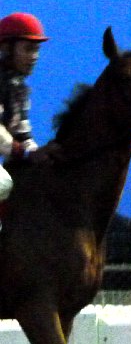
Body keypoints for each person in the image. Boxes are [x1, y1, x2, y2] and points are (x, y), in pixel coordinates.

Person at [0, 12, 55, 203]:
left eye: (37, 50)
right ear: (6, 48)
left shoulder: (19, 87)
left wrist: (43, 154)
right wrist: (24, 152)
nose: (34, 57)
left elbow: (22, 134)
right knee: (3, 182)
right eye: (29, 49)